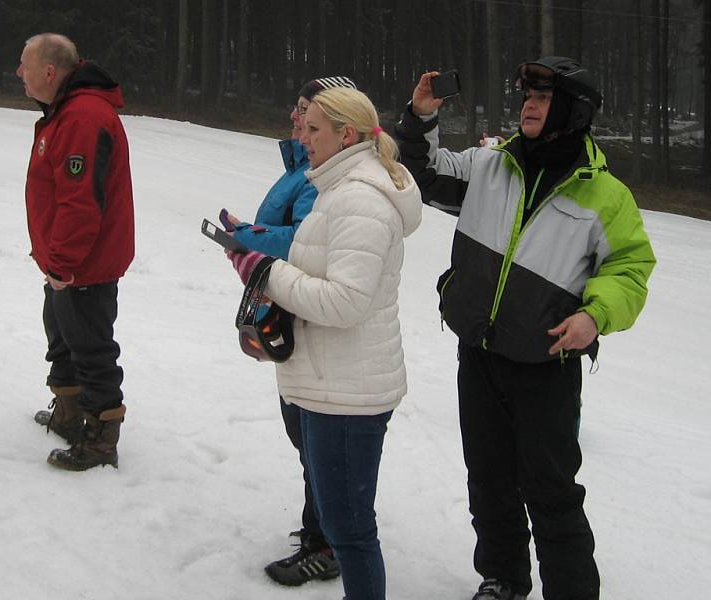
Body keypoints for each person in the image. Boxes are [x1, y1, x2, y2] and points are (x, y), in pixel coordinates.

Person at [395, 57, 656, 600]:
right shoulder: (491, 165)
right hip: (482, 352)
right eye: (527, 98)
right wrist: (420, 117)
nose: (528, 107)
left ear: (572, 111)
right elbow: (420, 175)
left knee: (551, 491)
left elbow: (630, 270)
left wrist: (594, 315)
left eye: (542, 99)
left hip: (546, 367)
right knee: (488, 480)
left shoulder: (606, 197)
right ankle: (504, 579)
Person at [227, 87, 422, 600]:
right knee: (342, 525)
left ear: (347, 135)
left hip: (349, 394)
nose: (303, 136)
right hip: (326, 382)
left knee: (351, 533)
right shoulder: (337, 187)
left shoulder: (360, 198)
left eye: (314, 129)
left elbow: (345, 302)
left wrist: (264, 271)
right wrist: (257, 260)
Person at [221, 75, 357, 587]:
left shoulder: (325, 177)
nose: (296, 119)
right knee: (303, 431)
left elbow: (305, 241)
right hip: (289, 309)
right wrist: (250, 234)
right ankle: (320, 528)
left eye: (308, 112)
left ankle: (328, 542)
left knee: (317, 435)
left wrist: (248, 237)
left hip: (314, 317)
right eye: (297, 107)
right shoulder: (303, 166)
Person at [16, 33, 134, 471]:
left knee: (90, 347)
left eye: (24, 64)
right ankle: (69, 412)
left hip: (84, 264)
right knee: (62, 337)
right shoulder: (64, 112)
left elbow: (81, 200)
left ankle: (102, 438)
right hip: (64, 263)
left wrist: (62, 262)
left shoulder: (83, 117)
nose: (18, 73)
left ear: (49, 71)